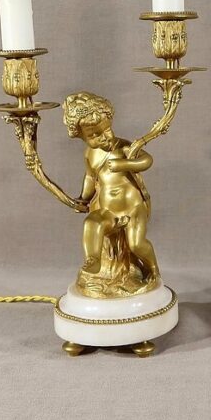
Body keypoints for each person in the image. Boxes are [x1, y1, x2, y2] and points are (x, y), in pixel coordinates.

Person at [62, 92, 160, 291]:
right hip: (108, 210)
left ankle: (153, 268)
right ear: (81, 136)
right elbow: (91, 178)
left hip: (133, 208)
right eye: (94, 135)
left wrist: (125, 164)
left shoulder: (123, 147)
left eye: (107, 130)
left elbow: (146, 160)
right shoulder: (90, 154)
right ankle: (93, 259)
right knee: (92, 223)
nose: (104, 137)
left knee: (136, 244)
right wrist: (83, 198)